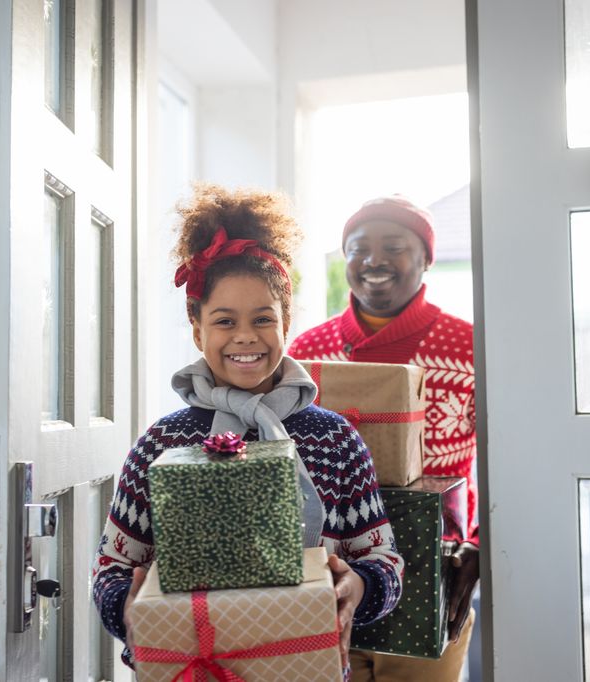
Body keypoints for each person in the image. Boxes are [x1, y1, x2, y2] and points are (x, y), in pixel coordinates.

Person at [92, 184, 405, 674]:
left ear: (287, 322)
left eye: (263, 318)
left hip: (304, 666)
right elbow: (110, 573)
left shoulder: (336, 441)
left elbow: (384, 560)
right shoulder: (161, 445)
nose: (245, 336)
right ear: (197, 330)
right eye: (223, 321)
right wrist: (131, 608)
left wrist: (358, 587)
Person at [288, 195, 479, 682]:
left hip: (434, 574)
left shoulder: (471, 346)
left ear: (425, 259)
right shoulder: (307, 352)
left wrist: (480, 544)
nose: (374, 259)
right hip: (326, 578)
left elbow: (511, 462)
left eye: (393, 245)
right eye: (358, 247)